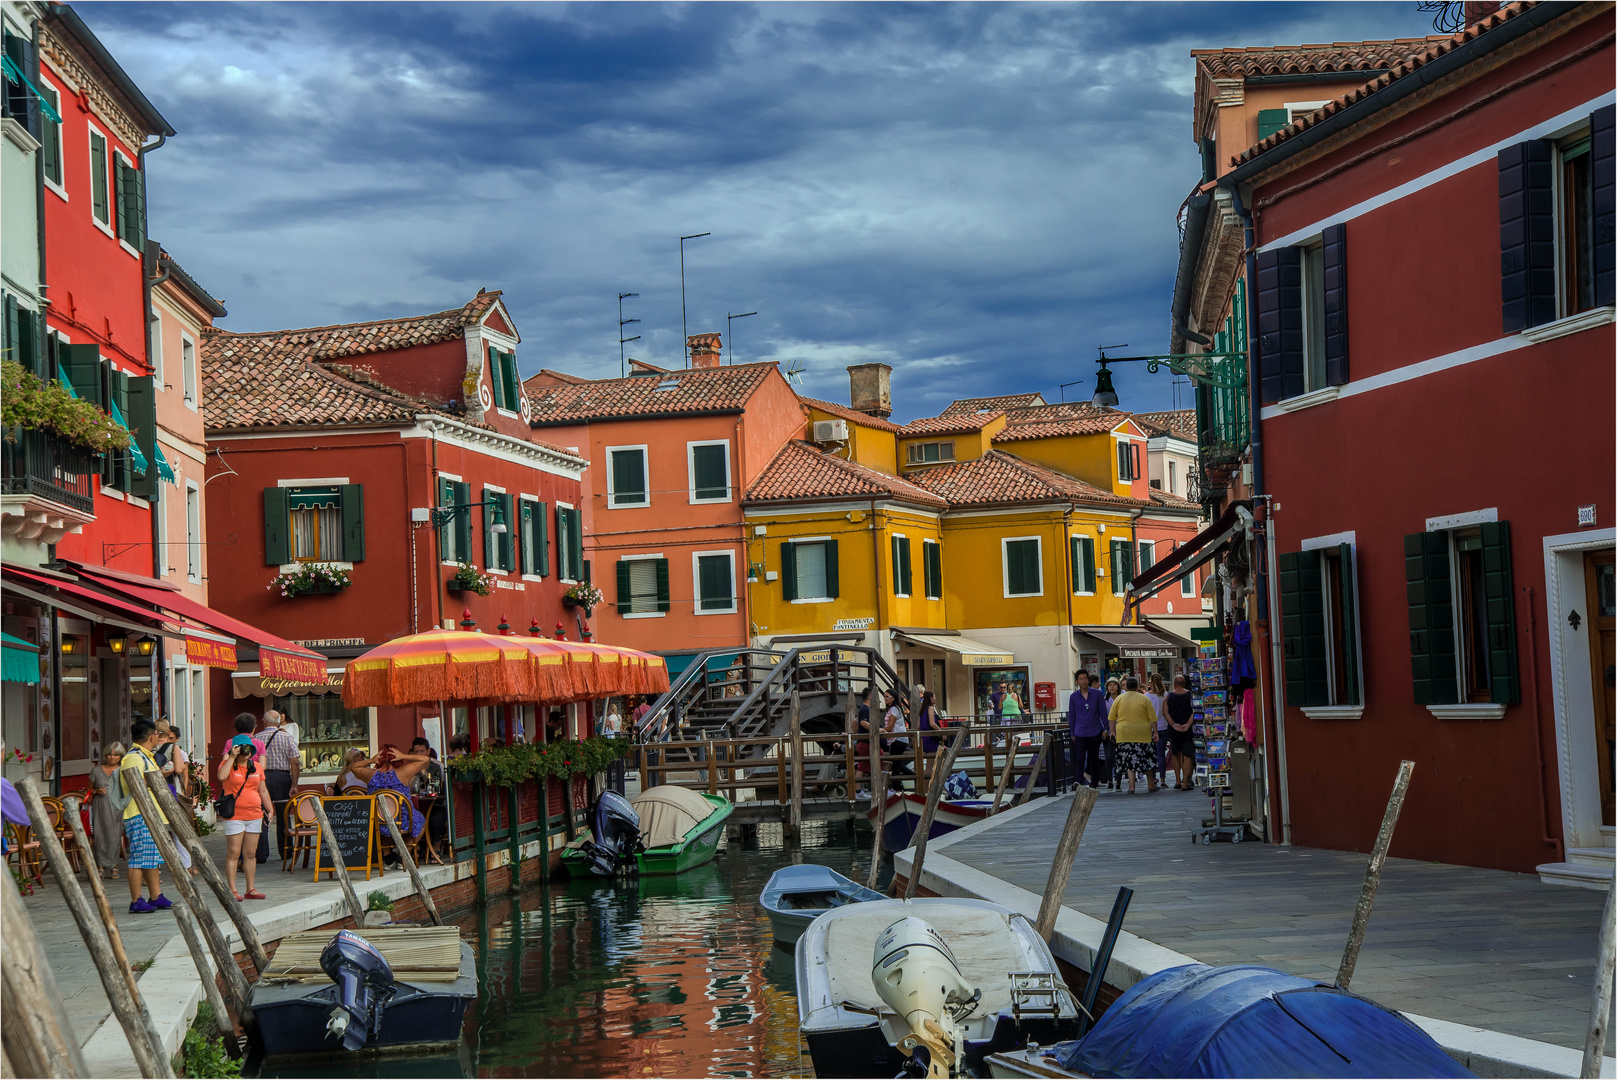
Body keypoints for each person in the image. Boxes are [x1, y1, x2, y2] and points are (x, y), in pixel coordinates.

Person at [119, 719, 187, 913]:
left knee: (151, 857)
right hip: (138, 813)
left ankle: (155, 895)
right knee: (139, 857)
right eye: (157, 733)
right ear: (151, 736)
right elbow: (136, 783)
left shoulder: (145, 755)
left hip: (150, 813)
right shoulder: (134, 757)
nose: (159, 736)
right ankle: (136, 899)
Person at [217, 732, 271, 900]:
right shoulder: (227, 765)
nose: (245, 752)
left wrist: (270, 809)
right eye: (241, 749)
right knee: (233, 852)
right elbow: (221, 777)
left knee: (250, 854)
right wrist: (231, 757)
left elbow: (262, 789)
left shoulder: (256, 767)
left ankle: (251, 889)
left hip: (254, 814)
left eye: (249, 749)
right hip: (234, 815)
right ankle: (232, 890)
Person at [350, 746, 428, 839]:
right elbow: (425, 759)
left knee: (384, 830)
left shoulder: (370, 774)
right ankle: (405, 851)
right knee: (422, 822)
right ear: (396, 758)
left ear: (380, 758)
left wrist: (371, 760)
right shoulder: (403, 772)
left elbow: (353, 767)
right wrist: (403, 756)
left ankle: (386, 853)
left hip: (377, 822)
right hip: (401, 821)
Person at [1107, 677, 1159, 794]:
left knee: (1129, 760)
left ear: (1126, 687)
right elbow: (1153, 718)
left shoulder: (1119, 699)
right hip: (1143, 734)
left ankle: (1131, 786)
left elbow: (1111, 718)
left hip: (1124, 734)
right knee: (1147, 760)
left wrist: (1112, 732)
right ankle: (1151, 785)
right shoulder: (1144, 699)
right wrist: (1155, 732)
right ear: (1137, 687)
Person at [260, 709, 299, 865]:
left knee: (262, 813)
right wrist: (294, 784)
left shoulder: (257, 738)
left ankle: (261, 853)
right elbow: (294, 762)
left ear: (264, 722)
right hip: (282, 777)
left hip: (262, 778)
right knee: (284, 815)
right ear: (278, 722)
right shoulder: (287, 737)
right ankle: (286, 850)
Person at [86, 742, 126, 879]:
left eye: (116, 755)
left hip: (117, 807)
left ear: (121, 756)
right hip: (100, 806)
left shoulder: (123, 770)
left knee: (115, 836)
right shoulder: (96, 770)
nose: (112, 757)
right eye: (109, 754)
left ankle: (114, 866)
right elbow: (88, 791)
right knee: (100, 835)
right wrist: (97, 791)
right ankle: (100, 866)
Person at [1066, 671, 1107, 789]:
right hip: (1080, 732)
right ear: (1077, 681)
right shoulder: (1073, 696)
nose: (1083, 681)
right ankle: (1078, 781)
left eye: (1085, 678)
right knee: (1079, 757)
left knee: (1093, 758)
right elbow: (1072, 715)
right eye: (1081, 679)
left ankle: (1094, 781)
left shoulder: (1097, 694)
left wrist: (1106, 729)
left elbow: (1103, 711)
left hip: (1095, 730)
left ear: (1088, 680)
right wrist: (1072, 732)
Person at [1164, 675, 1196, 790]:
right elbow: (1195, 711)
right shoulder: (1191, 695)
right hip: (1188, 730)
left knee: (1175, 754)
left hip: (1174, 731)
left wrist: (1173, 724)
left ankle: (1177, 781)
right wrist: (1188, 724)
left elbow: (1165, 712)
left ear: (1175, 684)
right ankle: (1185, 783)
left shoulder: (1169, 696)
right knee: (1188, 756)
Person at [1144, 675, 1169, 787]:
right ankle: (1162, 778)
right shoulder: (1165, 695)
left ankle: (1153, 777)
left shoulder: (1146, 696)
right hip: (1163, 726)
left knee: (1151, 754)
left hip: (1150, 728)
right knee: (1161, 754)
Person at [883, 689, 912, 776]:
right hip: (898, 738)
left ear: (893, 698)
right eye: (884, 696)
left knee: (894, 763)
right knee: (896, 763)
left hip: (898, 738)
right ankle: (913, 776)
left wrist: (881, 731)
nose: (885, 698)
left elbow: (890, 726)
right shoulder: (895, 709)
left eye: (887, 696)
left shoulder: (894, 709)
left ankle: (897, 787)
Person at [1102, 678, 1123, 789]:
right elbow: (1102, 715)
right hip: (1108, 731)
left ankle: (1118, 781)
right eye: (1110, 685)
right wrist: (1105, 730)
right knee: (1109, 756)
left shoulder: (1122, 698)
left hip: (1121, 731)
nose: (1112, 687)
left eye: (1114, 685)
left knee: (1119, 757)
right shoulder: (1105, 699)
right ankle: (1110, 780)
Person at [916, 690, 943, 755]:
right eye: (934, 696)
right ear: (930, 698)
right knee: (932, 758)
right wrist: (942, 732)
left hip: (923, 737)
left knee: (928, 759)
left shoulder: (922, 710)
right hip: (930, 737)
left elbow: (918, 726)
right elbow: (932, 723)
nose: (935, 698)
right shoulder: (930, 708)